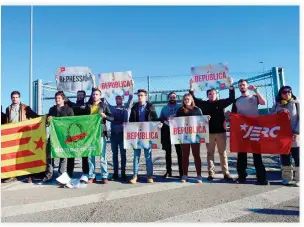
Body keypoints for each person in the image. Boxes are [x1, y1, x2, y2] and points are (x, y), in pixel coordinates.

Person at [189, 77, 234, 182]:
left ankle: (226, 173)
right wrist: (191, 87)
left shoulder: (221, 103)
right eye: (209, 94)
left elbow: (231, 99)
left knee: (223, 153)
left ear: (216, 94)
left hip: (221, 133)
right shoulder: (204, 104)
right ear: (207, 95)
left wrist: (231, 85)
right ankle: (211, 173)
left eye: (213, 93)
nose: (211, 95)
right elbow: (193, 99)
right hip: (209, 133)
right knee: (210, 153)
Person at [228, 79, 269, 185]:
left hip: (255, 130)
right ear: (238, 87)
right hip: (243, 131)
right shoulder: (236, 101)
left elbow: (264, 102)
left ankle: (261, 178)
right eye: (240, 85)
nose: (242, 86)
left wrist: (256, 90)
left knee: (257, 155)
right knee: (241, 155)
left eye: (243, 85)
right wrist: (229, 115)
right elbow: (234, 116)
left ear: (247, 86)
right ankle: (241, 176)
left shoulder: (254, 97)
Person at [2, 91, 41, 183]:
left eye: (16, 97)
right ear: (11, 98)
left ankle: (29, 175)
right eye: (13, 97)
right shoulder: (8, 109)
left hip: (23, 135)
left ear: (19, 98)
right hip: (12, 135)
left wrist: (42, 118)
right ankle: (13, 175)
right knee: (13, 155)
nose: (15, 99)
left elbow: (33, 116)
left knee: (26, 155)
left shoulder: (25, 108)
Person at [39, 91, 74, 184]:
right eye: (56, 98)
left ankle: (61, 176)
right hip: (53, 136)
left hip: (64, 137)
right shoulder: (52, 109)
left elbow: (72, 123)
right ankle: (49, 175)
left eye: (59, 98)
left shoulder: (69, 110)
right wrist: (48, 119)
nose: (57, 100)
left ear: (63, 99)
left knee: (63, 156)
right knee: (50, 155)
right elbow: (47, 123)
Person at [129, 89, 162, 184]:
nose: (140, 97)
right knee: (136, 156)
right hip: (137, 135)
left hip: (147, 135)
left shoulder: (151, 107)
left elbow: (155, 119)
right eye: (139, 95)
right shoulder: (134, 107)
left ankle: (149, 175)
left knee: (148, 156)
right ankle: (135, 176)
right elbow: (131, 121)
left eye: (142, 95)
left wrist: (160, 123)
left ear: (145, 96)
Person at [269, 86, 299, 186]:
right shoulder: (277, 104)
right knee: (285, 158)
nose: (287, 94)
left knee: (298, 157)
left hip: (295, 136)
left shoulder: (296, 103)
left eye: (289, 92)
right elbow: (270, 115)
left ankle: (299, 178)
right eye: (284, 92)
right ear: (281, 94)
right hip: (282, 136)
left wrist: (297, 132)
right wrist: (279, 112)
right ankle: (286, 178)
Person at [85, 88, 114, 184]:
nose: (95, 96)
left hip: (101, 133)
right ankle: (91, 176)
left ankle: (104, 176)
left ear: (100, 96)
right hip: (90, 134)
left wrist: (105, 116)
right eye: (93, 94)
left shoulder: (104, 106)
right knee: (90, 156)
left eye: (97, 94)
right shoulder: (88, 106)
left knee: (102, 155)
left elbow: (112, 118)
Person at [107, 80, 134, 182]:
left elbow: (131, 98)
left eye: (121, 98)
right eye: (117, 98)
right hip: (114, 135)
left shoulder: (126, 108)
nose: (119, 99)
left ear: (123, 99)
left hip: (123, 135)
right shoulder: (112, 108)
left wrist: (132, 87)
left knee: (123, 154)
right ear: (115, 99)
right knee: (114, 155)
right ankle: (115, 173)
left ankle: (123, 173)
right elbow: (104, 99)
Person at [176, 93, 203, 183]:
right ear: (183, 101)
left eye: (188, 99)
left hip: (195, 136)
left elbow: (202, 121)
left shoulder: (197, 110)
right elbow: (175, 122)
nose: (186, 100)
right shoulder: (180, 110)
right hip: (184, 137)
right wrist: (171, 119)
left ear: (191, 100)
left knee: (196, 155)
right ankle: (185, 175)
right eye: (185, 99)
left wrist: (207, 119)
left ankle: (199, 175)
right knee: (185, 155)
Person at [159, 92, 183, 178]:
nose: (172, 98)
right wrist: (164, 120)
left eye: (174, 97)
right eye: (171, 97)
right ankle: (168, 171)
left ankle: (182, 172)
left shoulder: (180, 106)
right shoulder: (164, 108)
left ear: (176, 98)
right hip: (167, 130)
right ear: (168, 98)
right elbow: (160, 119)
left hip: (177, 131)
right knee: (168, 152)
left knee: (179, 152)